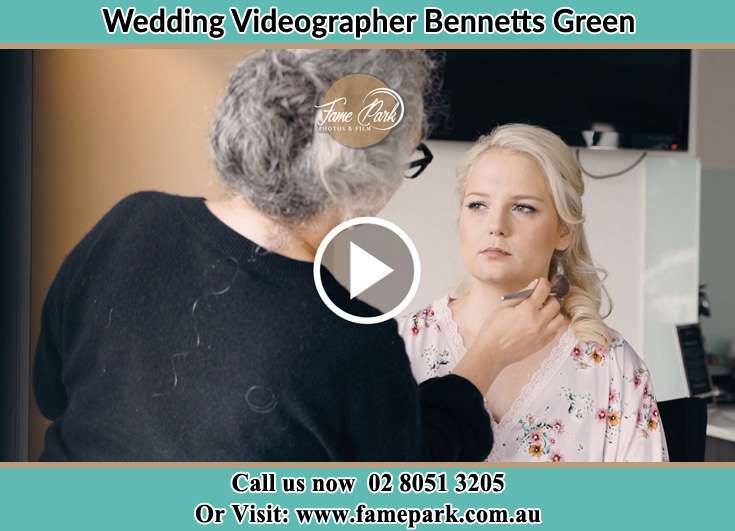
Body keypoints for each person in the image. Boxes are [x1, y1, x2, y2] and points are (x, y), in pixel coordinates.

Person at [32, 51, 564, 461]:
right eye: (410, 158)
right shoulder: (346, 333)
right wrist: (487, 358)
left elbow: (52, 394)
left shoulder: (130, 219)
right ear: (358, 174)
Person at [400, 124, 669, 462]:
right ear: (460, 220)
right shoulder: (400, 346)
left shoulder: (611, 367)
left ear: (563, 232)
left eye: (523, 207)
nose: (496, 225)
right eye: (477, 205)